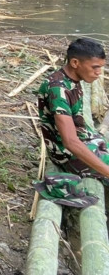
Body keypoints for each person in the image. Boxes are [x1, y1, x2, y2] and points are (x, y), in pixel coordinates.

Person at [38, 38, 109, 182]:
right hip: (67, 155)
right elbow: (70, 142)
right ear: (75, 63)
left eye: (101, 67)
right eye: (95, 67)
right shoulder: (58, 90)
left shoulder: (71, 79)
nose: (98, 73)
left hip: (85, 140)